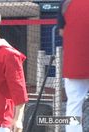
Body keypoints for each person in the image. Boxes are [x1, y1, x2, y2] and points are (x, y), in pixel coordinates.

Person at [57, 0, 89, 132]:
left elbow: (61, 32)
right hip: (76, 61)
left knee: (73, 105)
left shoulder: (66, 3)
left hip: (75, 61)